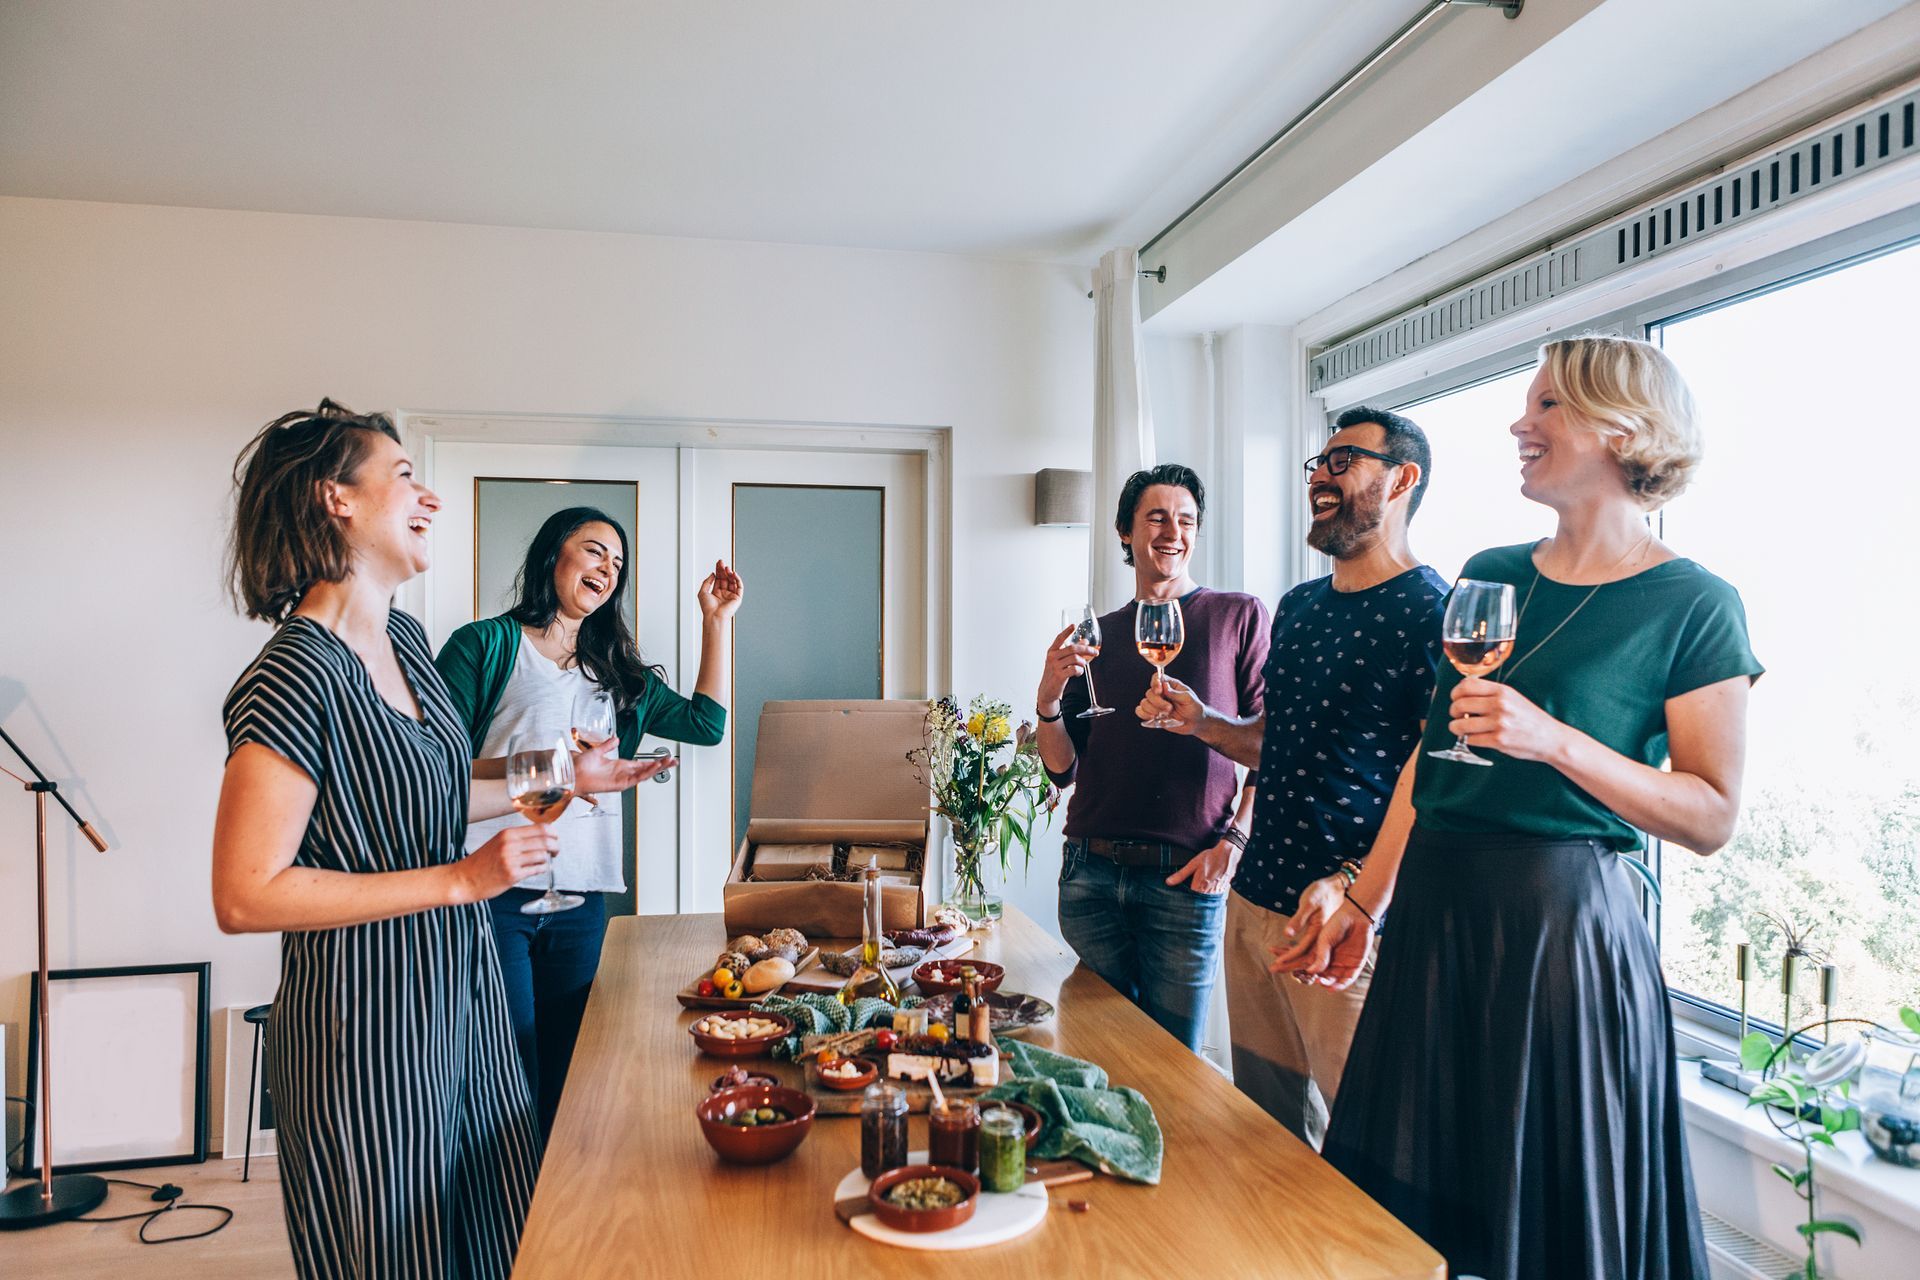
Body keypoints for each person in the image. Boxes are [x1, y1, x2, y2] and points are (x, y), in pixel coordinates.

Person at [1281, 336, 1761, 1280]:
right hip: (1435, 918)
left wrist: (1555, 740)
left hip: (1559, 940)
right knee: (1401, 1221)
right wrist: (1365, 904)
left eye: (1546, 407)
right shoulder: (1494, 570)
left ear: (1621, 429)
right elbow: (1432, 754)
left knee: (1539, 1221)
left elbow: (1710, 816)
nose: (1519, 423)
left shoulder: (1696, 604)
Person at [212, 401, 671, 1279]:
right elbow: (247, 891)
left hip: (462, 995)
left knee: (496, 1230)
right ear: (335, 499)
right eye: (404, 477)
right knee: (401, 1251)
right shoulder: (292, 673)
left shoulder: (408, 642)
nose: (427, 499)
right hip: (368, 1023)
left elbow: (432, 793)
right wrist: (463, 882)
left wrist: (570, 780)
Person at [1136, 407, 1445, 1146]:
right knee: (1266, 1141)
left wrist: (1358, 894)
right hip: (1254, 910)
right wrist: (1205, 722)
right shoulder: (1300, 607)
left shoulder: (1433, 611)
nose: (1321, 477)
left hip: (1339, 929)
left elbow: (1437, 782)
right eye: (1318, 463)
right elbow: (1278, 743)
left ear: (1401, 478)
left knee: (1372, 1151)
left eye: (1344, 462)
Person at [435, 508, 741, 1138]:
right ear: (554, 557)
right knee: (505, 1064)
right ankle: (504, 1211)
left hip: (581, 892)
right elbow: (436, 763)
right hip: (494, 884)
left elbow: (707, 726)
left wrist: (716, 623)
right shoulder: (485, 645)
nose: (609, 569)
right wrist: (557, 768)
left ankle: (554, 1209)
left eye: (618, 563)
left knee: (569, 1064)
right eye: (596, 551)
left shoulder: (617, 672)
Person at [1034, 464, 1268, 1050]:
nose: (1173, 531)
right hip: (1089, 876)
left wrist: (1234, 845)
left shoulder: (1237, 615)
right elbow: (1063, 770)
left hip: (1184, 878)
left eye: (1186, 520)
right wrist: (1046, 700)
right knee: (1099, 1056)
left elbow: (1272, 747)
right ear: (1124, 531)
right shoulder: (1099, 634)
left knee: (1175, 1065)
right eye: (1157, 517)